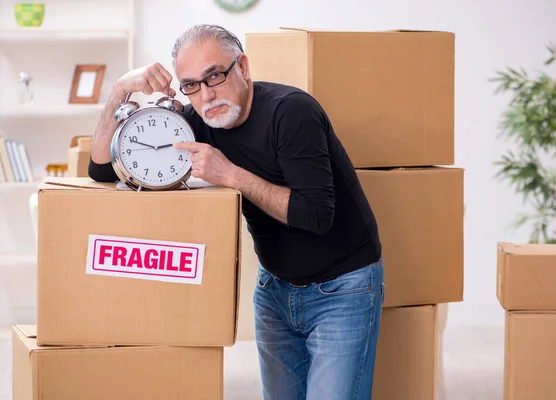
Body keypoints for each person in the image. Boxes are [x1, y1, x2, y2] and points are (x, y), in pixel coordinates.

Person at [88, 24, 384, 400]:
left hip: (343, 287)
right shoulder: (198, 120)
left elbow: (316, 215)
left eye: (215, 75)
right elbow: (101, 168)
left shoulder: (292, 112)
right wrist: (120, 89)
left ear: (242, 66)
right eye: (191, 85)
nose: (207, 94)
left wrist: (228, 174)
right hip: (275, 289)